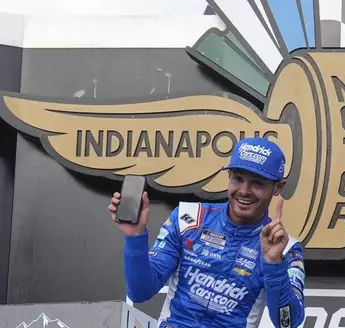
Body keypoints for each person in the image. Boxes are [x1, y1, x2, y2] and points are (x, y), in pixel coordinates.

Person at [107, 137, 305, 328]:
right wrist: (135, 237)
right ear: (229, 177)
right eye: (238, 178)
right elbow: (140, 292)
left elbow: (287, 323)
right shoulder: (188, 218)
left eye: (258, 183)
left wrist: (273, 264)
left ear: (278, 187)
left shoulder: (285, 248)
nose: (244, 190)